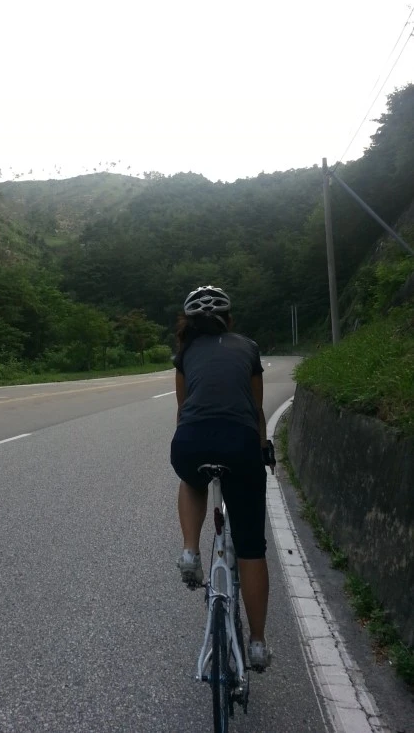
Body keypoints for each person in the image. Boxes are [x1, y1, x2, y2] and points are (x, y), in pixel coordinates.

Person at [170, 285, 272, 670]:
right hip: (240, 443)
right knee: (251, 548)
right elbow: (256, 410)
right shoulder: (248, 347)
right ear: (229, 320)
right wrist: (263, 449)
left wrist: (191, 445)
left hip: (191, 442)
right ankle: (257, 644)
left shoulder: (186, 354)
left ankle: (190, 550)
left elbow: (183, 410)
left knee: (191, 478)